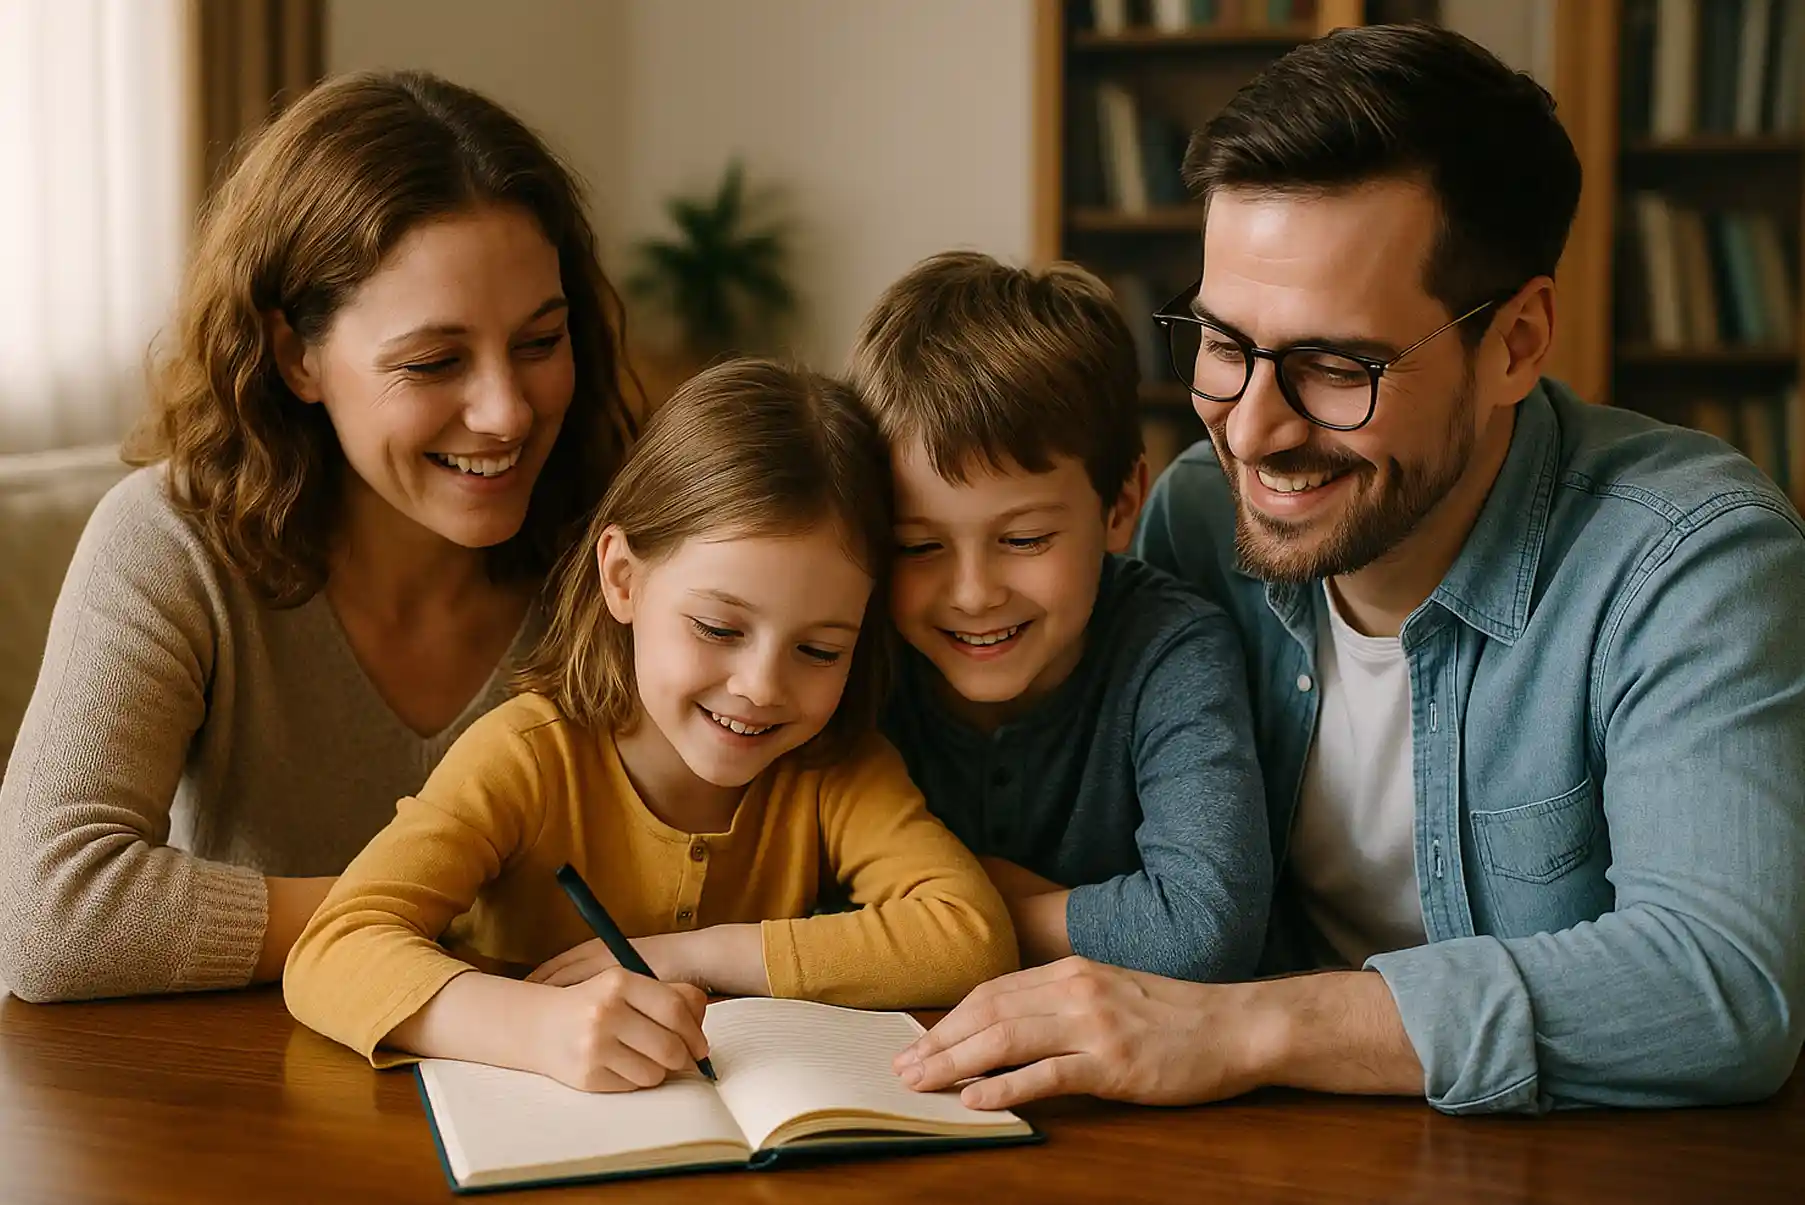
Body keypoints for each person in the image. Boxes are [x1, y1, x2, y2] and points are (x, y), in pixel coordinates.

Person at [895, 24, 1805, 1114]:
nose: (1252, 431)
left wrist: (1248, 1025)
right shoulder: (1193, 513)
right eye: (1223, 344)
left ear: (1515, 342)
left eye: (1336, 367)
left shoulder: (1687, 557)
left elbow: (1722, 987)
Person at [0, 71, 637, 1001]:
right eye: (434, 361)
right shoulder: (172, 542)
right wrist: (409, 922)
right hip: (242, 1112)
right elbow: (44, 915)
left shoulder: (628, 548)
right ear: (297, 355)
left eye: (540, 342)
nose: (506, 411)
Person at [283, 360, 1017, 1092]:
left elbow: (970, 937)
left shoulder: (834, 768)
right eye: (718, 626)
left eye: (819, 649)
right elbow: (334, 949)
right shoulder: (528, 757)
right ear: (623, 579)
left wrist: (694, 953)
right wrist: (539, 1026)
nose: (761, 686)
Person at [848, 251, 1269, 978]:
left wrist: (947, 919)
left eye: (1024, 539)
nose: (972, 592)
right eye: (917, 545)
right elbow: (793, 898)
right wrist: (1099, 913)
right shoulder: (853, 651)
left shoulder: (1171, 649)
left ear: (1121, 506)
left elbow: (1203, 930)